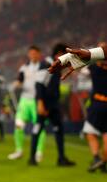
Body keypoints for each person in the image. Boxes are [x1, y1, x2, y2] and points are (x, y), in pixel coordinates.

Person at [28, 44, 75, 167]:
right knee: (38, 128)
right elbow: (39, 84)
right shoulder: (46, 64)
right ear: (59, 53)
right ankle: (32, 158)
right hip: (45, 103)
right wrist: (40, 103)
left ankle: (61, 158)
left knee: (58, 129)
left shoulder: (56, 65)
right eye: (65, 55)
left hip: (53, 104)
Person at [8, 46, 48, 161]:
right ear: (28, 54)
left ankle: (39, 152)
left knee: (39, 127)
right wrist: (15, 84)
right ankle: (19, 150)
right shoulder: (24, 67)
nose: (33, 55)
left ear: (39, 54)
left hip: (38, 100)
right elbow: (19, 80)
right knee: (18, 125)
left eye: (35, 53)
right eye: (31, 53)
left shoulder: (44, 67)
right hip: (25, 100)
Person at [80, 42, 107, 172]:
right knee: (104, 135)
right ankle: (102, 161)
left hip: (98, 104)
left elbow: (83, 70)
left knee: (90, 132)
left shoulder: (94, 67)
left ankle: (98, 159)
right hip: (99, 104)